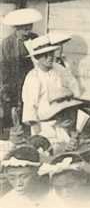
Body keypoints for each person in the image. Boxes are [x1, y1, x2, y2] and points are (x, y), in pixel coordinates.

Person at [21, 39, 81, 136]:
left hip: (64, 118)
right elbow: (30, 106)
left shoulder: (59, 69)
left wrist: (69, 96)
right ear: (38, 57)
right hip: (45, 124)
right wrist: (37, 132)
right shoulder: (33, 77)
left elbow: (74, 85)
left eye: (51, 53)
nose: (50, 58)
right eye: (45, 55)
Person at [0, 8, 41, 136]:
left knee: (31, 113)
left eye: (29, 27)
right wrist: (5, 89)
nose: (27, 31)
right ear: (17, 28)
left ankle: (33, 136)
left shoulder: (35, 39)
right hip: (13, 84)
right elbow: (3, 67)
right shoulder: (7, 44)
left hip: (31, 80)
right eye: (24, 28)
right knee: (14, 114)